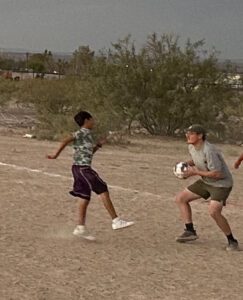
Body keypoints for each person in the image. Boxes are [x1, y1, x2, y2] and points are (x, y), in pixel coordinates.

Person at [47, 111, 134, 240]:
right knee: (102, 188)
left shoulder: (88, 136)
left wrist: (98, 145)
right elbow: (66, 140)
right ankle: (116, 220)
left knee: (84, 197)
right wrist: (55, 155)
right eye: (92, 119)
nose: (94, 121)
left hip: (78, 169)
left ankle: (80, 228)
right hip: (83, 169)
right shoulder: (81, 133)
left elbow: (88, 153)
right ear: (86, 120)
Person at [175, 124, 239, 251]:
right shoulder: (192, 147)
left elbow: (218, 174)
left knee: (214, 211)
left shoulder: (209, 150)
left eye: (191, 133)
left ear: (200, 136)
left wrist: (194, 173)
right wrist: (184, 165)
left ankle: (232, 241)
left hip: (221, 184)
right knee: (180, 199)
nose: (187, 135)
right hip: (207, 181)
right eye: (187, 133)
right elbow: (196, 159)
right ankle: (190, 231)